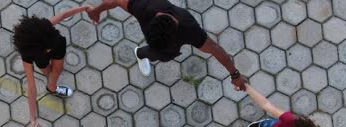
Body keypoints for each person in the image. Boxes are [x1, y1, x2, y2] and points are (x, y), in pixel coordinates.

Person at [86, 0, 246, 89]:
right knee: (158, 54)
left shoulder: (189, 28)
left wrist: (235, 75)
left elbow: (215, 49)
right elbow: (115, 1)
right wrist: (97, 11)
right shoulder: (144, 7)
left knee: (164, 55)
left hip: (170, 45)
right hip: (159, 44)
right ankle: (141, 53)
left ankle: (144, 53)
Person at [13, 6, 90, 127]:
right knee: (47, 71)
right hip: (40, 59)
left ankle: (52, 87)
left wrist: (85, 8)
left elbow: (63, 15)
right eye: (45, 49)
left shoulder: (44, 27)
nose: (48, 49)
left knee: (58, 69)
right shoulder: (27, 55)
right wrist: (33, 119)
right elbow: (32, 89)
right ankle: (51, 84)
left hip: (58, 46)